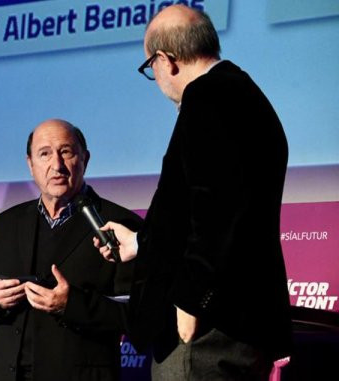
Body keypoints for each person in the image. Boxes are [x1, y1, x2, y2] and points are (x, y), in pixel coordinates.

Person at [96, 5, 292, 380]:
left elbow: (219, 212)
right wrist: (140, 242)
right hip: (232, 323)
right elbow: (209, 205)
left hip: (204, 331)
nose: (155, 78)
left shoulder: (208, 99)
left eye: (148, 68)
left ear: (165, 60)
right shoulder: (240, 93)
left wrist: (191, 300)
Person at [0, 119, 143, 381]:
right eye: (44, 154)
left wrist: (72, 305)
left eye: (66, 152)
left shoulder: (120, 224)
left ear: (85, 159)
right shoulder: (4, 224)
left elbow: (139, 313)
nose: (56, 165)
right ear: (30, 164)